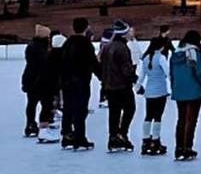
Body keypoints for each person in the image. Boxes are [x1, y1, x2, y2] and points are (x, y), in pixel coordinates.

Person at [169, 30, 201, 160]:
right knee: (191, 120)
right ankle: (187, 147)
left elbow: (171, 74)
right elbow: (199, 73)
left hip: (179, 90)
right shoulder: (193, 53)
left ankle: (179, 148)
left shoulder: (175, 54)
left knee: (181, 119)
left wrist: (174, 87)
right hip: (194, 91)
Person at [61, 17, 99, 150]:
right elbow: (93, 63)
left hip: (67, 82)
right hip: (81, 81)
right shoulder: (86, 44)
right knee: (80, 110)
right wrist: (102, 76)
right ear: (86, 28)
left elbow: (61, 62)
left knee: (68, 108)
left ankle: (67, 135)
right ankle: (79, 137)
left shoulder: (67, 43)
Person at [100, 22, 137, 152]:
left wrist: (104, 81)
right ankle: (122, 134)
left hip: (109, 86)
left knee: (114, 112)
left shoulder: (107, 47)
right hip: (122, 85)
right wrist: (133, 77)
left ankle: (113, 136)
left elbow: (102, 66)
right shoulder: (122, 48)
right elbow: (125, 69)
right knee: (130, 109)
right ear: (123, 34)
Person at [136, 32, 172, 156]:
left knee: (148, 115)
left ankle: (145, 140)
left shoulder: (146, 58)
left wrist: (138, 86)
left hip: (149, 92)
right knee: (158, 116)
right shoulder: (161, 58)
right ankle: (155, 140)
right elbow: (168, 73)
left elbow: (142, 75)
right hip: (160, 91)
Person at [22, 25, 53, 138]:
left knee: (31, 103)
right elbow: (44, 64)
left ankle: (30, 124)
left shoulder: (31, 46)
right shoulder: (44, 48)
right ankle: (43, 125)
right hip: (42, 80)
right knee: (46, 104)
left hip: (30, 79)